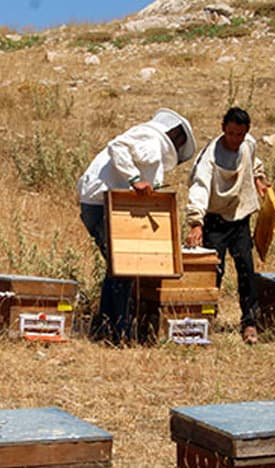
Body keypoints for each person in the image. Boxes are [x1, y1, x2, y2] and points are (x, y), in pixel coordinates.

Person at [77, 108, 196, 345]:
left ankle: (106, 328)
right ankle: (120, 331)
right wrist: (134, 179)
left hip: (98, 203)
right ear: (175, 136)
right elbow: (117, 146)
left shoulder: (146, 137)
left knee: (117, 267)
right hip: (103, 204)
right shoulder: (151, 140)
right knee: (124, 268)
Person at [184, 107, 269, 345]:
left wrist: (258, 179)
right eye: (231, 133)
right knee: (212, 274)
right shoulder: (209, 157)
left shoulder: (248, 144)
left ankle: (249, 323)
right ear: (223, 129)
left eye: (239, 134)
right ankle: (205, 321)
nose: (235, 139)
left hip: (240, 218)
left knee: (246, 271)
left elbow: (254, 162)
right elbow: (199, 187)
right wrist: (196, 223)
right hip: (214, 221)